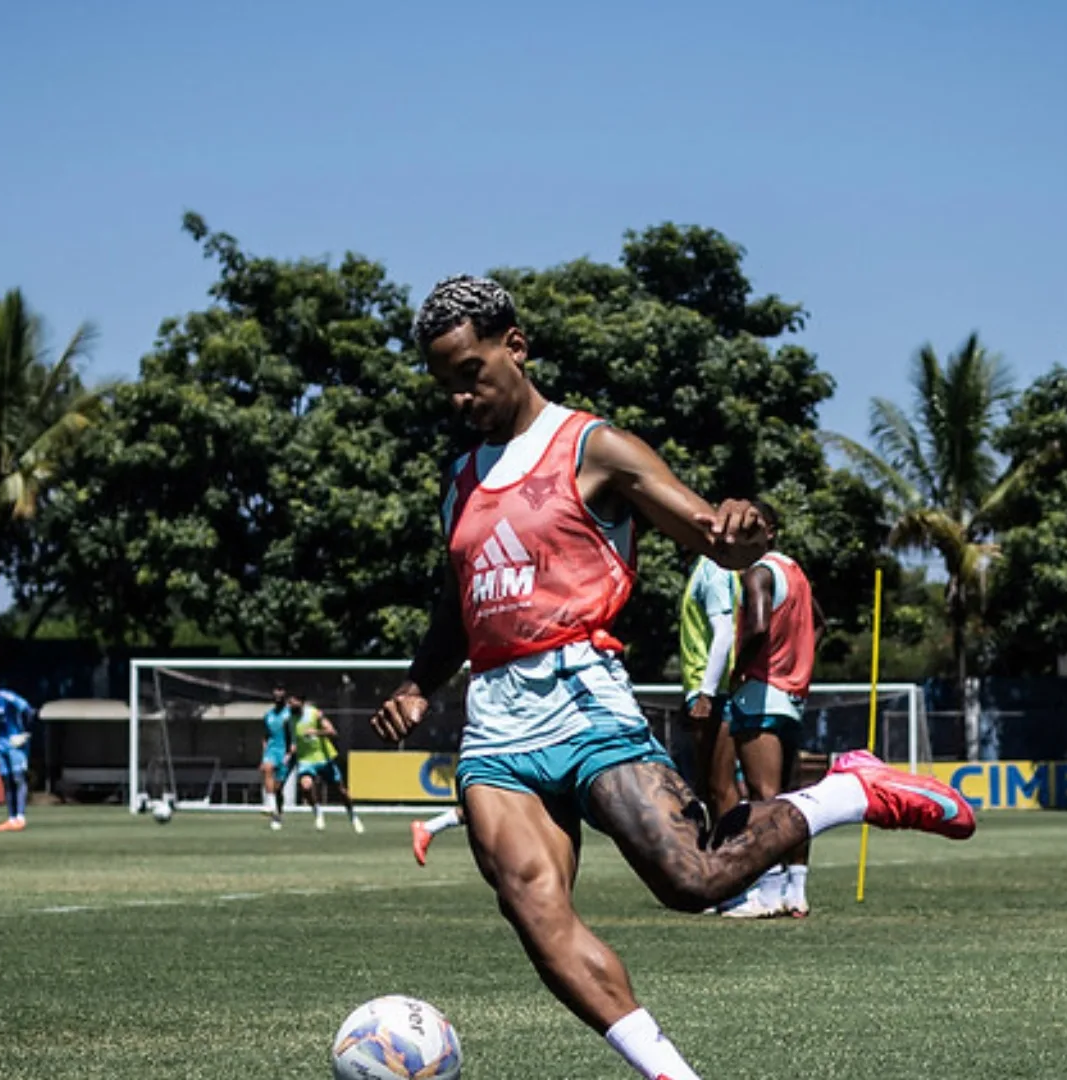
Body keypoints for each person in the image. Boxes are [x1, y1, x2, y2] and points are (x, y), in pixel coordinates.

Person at [370, 276, 975, 1080]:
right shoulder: (460, 482)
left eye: (472, 371)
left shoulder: (593, 447)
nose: (461, 396)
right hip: (496, 727)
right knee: (535, 911)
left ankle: (850, 793)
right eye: (446, 383)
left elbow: (713, 536)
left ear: (516, 347)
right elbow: (460, 600)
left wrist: (741, 528)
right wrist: (419, 683)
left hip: (585, 703)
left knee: (692, 881)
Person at [719, 505, 826, 919]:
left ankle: (765, 894)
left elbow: (758, 627)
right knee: (791, 797)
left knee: (763, 798)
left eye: (751, 528)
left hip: (762, 693)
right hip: (792, 697)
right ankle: (795, 890)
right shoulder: (795, 572)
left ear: (769, 533)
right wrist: (799, 659)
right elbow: (820, 622)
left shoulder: (758, 573)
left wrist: (741, 669)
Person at [678, 554, 742, 825]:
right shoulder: (711, 569)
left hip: (715, 691)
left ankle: (735, 858)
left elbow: (724, 632)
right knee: (710, 786)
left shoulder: (713, 570)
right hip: (715, 688)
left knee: (720, 786)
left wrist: (707, 692)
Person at [289, 693, 363, 833]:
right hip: (306, 760)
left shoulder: (314, 714)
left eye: (293, 701)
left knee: (342, 792)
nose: (290, 704)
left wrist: (316, 732)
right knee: (306, 787)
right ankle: (317, 812)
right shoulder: (290, 718)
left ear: (301, 702)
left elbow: (332, 732)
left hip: (324, 758)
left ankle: (353, 816)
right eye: (289, 701)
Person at [0, 682, 35, 832]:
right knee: (6, 780)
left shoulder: (7, 697)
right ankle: (11, 818)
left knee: (18, 778)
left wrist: (26, 733)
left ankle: (21, 817)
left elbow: (28, 711)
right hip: (0, 743)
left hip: (15, 741)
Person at [260, 686, 294, 831]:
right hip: (272, 750)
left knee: (278, 788)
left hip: (284, 752)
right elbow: (265, 735)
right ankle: (270, 805)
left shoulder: (290, 715)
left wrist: (290, 754)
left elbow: (294, 736)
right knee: (267, 768)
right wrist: (264, 752)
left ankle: (277, 815)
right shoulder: (268, 716)